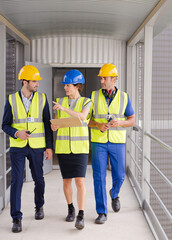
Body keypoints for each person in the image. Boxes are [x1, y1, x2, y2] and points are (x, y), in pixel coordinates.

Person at [1, 65, 53, 233]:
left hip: (37, 146)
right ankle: (16, 218)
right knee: (17, 181)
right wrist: (16, 133)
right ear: (25, 82)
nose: (37, 84)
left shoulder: (42, 98)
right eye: (34, 81)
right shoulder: (11, 99)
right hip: (18, 147)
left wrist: (49, 147)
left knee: (39, 178)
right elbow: (5, 125)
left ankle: (39, 206)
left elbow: (47, 123)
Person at [88, 63, 135, 224]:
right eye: (101, 78)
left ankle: (114, 194)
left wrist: (120, 123)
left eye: (104, 78)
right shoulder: (93, 96)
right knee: (98, 177)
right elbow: (86, 119)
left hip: (117, 142)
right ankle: (102, 211)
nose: (101, 80)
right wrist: (98, 125)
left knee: (120, 176)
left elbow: (132, 119)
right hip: (99, 142)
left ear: (114, 79)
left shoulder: (124, 97)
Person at [51, 70, 91, 230]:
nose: (65, 88)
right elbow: (58, 124)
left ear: (77, 86)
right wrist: (54, 125)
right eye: (65, 85)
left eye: (68, 85)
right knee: (66, 180)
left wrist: (64, 109)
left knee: (80, 181)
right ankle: (70, 208)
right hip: (63, 147)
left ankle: (81, 214)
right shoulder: (59, 101)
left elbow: (82, 117)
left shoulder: (87, 102)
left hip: (80, 148)